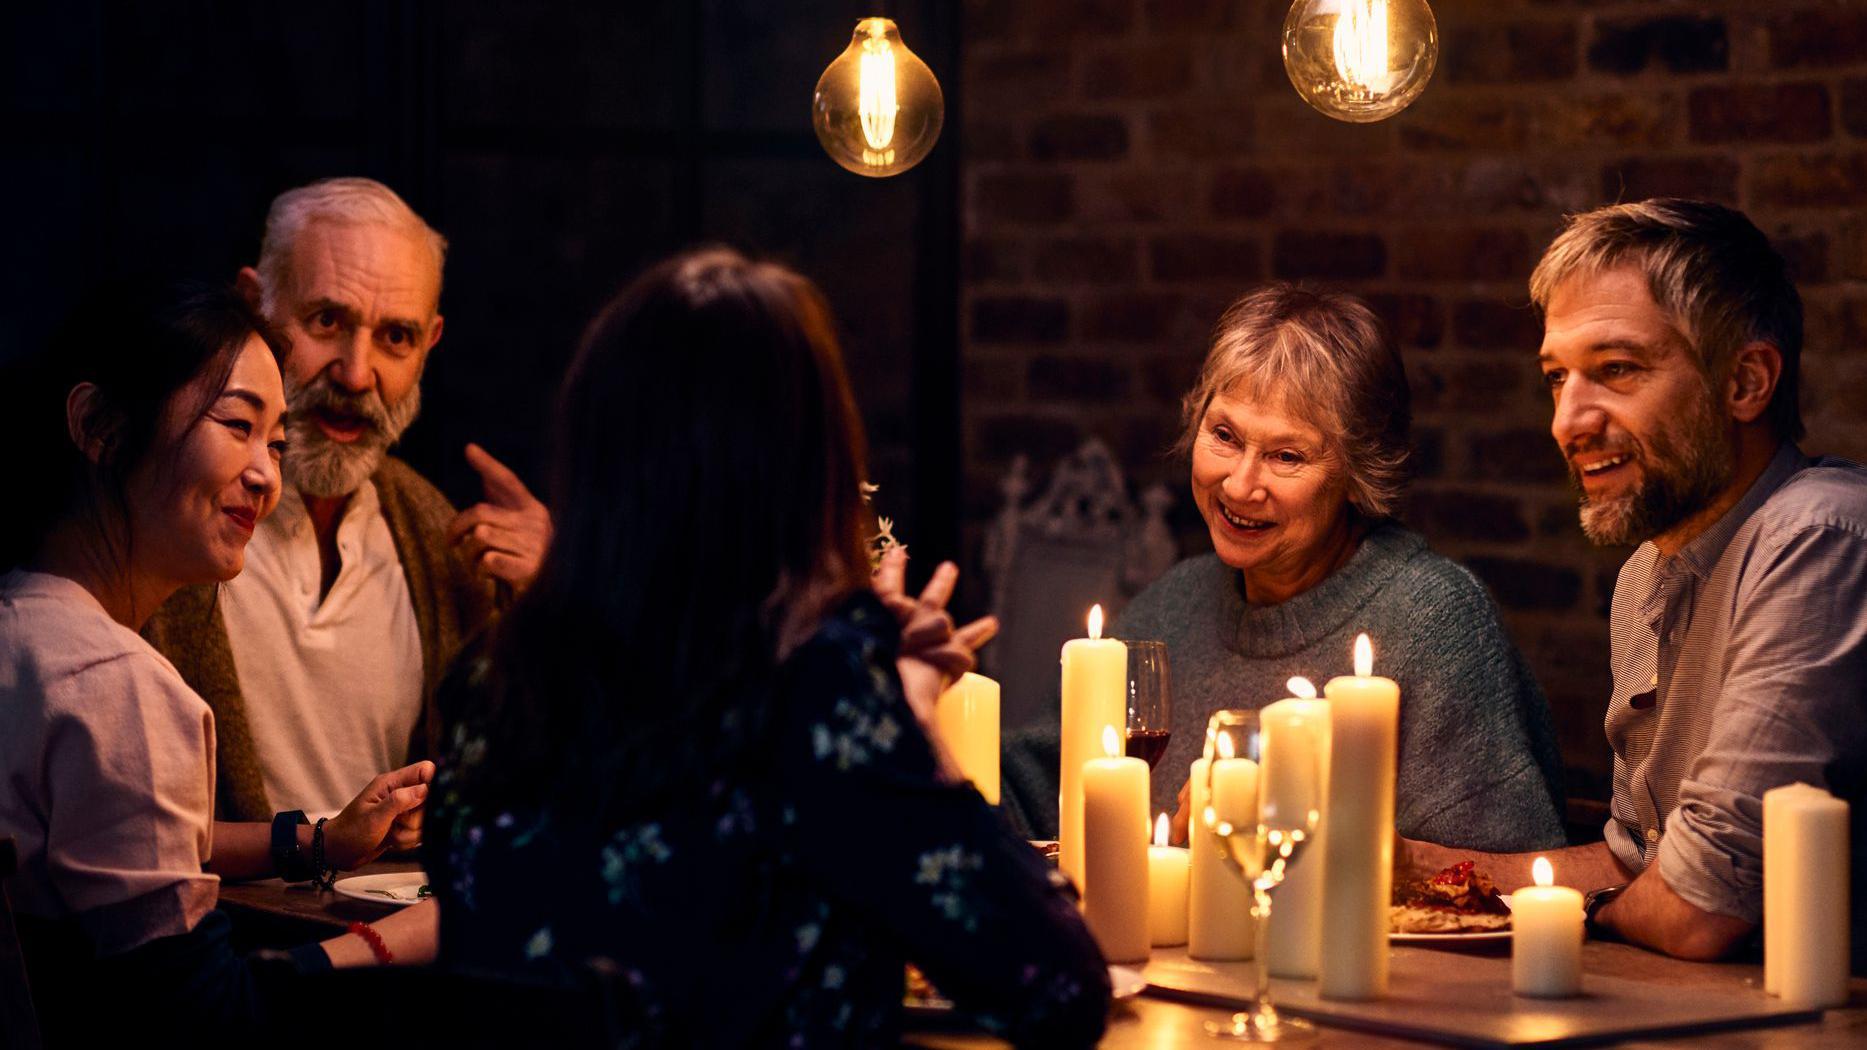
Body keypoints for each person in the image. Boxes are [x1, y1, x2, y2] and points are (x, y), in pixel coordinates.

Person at [422, 249, 1111, 1046]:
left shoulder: (490, 680)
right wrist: (910, 721)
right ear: (806, 468)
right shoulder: (813, 696)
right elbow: (1059, 990)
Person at [1402, 198, 1867, 969]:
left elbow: (1697, 906)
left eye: (1615, 370)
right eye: (1557, 378)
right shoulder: (1645, 572)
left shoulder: (1816, 539)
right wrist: (1411, 869)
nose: (1567, 422)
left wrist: (1582, 910)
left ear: (1745, 382)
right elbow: (1637, 860)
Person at [0, 281, 439, 1039]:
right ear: (99, 426)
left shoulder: (24, 628)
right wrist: (390, 940)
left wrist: (320, 840)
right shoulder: (114, 685)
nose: (269, 476)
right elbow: (202, 1019)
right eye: (236, 425)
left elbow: (108, 839)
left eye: (276, 442)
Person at [1002, 283, 1567, 854]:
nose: (1240, 485)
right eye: (1224, 435)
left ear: (1359, 472)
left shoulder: (1434, 622)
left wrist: (1287, 834)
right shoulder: (1175, 602)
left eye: (1286, 456)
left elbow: (1503, 882)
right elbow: (1044, 785)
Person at [144, 176, 552, 822]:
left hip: (398, 923)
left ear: (430, 345)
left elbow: (528, 789)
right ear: (252, 305)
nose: (356, 374)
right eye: (326, 321)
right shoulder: (163, 517)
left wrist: (555, 601)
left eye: (396, 337)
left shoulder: (443, 546)